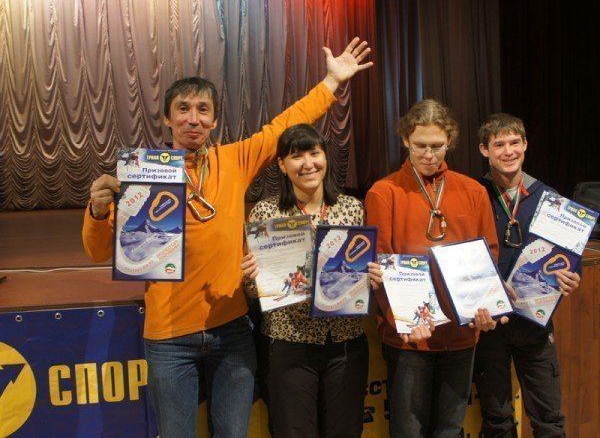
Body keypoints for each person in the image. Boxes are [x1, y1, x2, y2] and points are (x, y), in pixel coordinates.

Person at [82, 38, 372, 438]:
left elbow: (282, 126)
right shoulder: (144, 174)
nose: (193, 119)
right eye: (183, 109)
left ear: (215, 120)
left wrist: (331, 82)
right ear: (167, 118)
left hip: (232, 330)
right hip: (168, 337)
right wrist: (98, 212)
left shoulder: (233, 160)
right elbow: (98, 251)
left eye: (203, 110)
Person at [365, 99, 503, 437]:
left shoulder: (473, 191)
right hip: (410, 338)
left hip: (461, 334)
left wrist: (486, 307)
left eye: (437, 146)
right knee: (408, 431)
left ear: (450, 141)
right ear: (405, 141)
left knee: (450, 430)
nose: (429, 155)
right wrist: (402, 321)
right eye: (420, 146)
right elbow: (380, 265)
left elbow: (489, 255)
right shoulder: (384, 193)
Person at [241, 124, 369, 438]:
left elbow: (360, 274)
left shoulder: (352, 209)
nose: (308, 163)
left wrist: (372, 277)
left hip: (345, 341)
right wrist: (250, 277)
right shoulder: (266, 212)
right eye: (297, 156)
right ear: (282, 165)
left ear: (326, 157)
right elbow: (253, 290)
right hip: (289, 343)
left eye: (314, 153)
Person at [474, 113, 580, 437]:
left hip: (536, 324)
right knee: (497, 420)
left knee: (549, 420)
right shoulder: (474, 195)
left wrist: (572, 278)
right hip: (491, 325)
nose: (508, 151)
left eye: (514, 143)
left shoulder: (551, 200)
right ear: (484, 150)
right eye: (499, 144)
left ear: (525, 145)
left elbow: (568, 259)